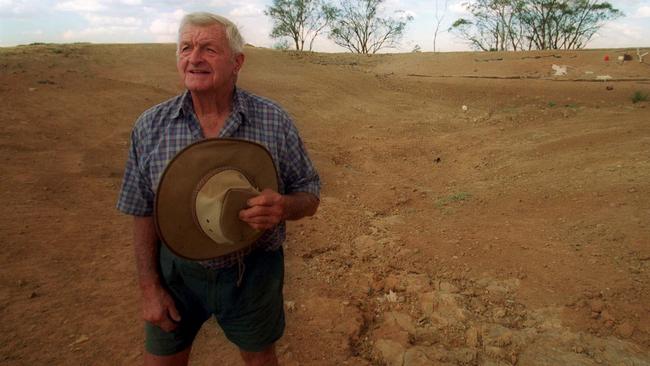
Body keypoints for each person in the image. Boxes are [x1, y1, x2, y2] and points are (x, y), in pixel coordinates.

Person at [116, 12, 320, 366]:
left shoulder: (273, 120)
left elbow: (310, 192)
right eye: (185, 48)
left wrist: (284, 207)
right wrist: (150, 288)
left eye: (208, 49)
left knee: (260, 358)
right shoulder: (150, 126)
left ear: (237, 61)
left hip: (253, 273)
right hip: (176, 272)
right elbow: (142, 209)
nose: (193, 58)